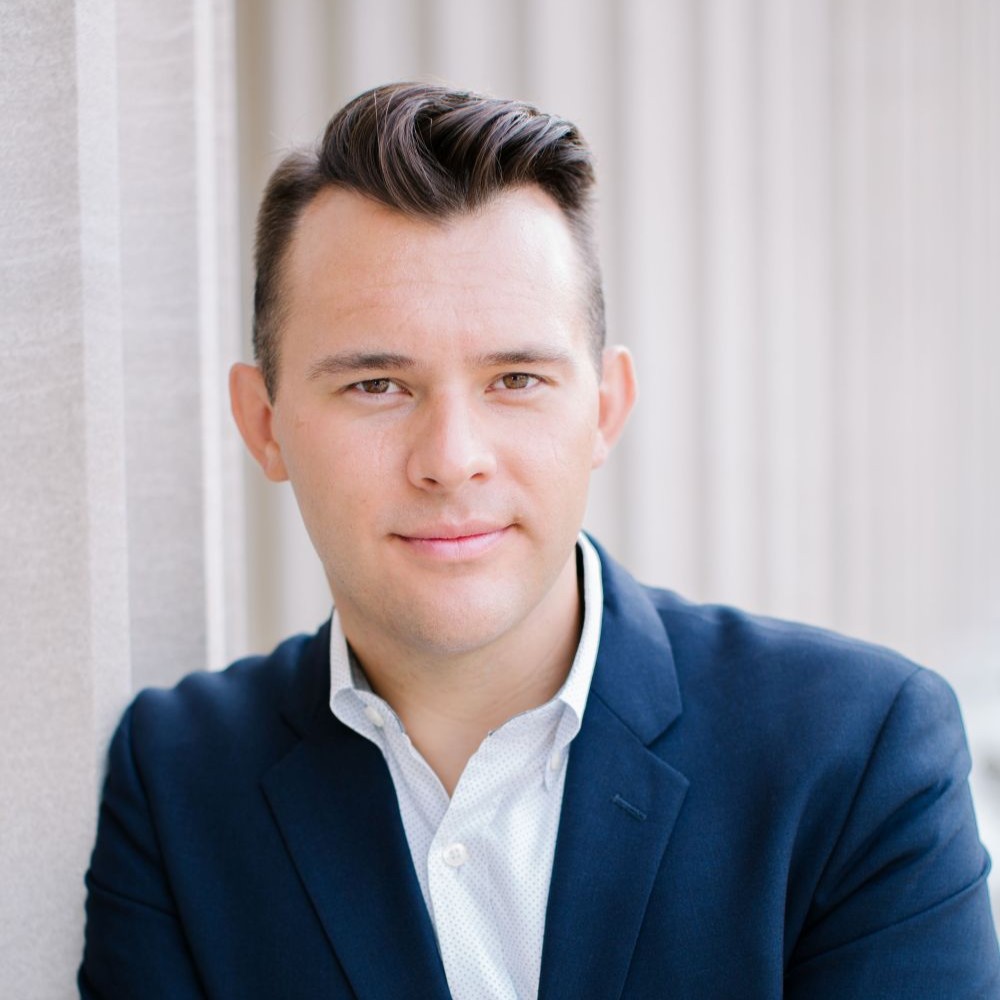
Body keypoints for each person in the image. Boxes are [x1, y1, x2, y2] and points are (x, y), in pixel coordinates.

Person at [79, 82, 999, 999]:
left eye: (515, 379)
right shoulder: (178, 782)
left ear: (604, 409)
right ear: (265, 423)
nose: (451, 460)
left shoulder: (856, 751)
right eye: (377, 386)